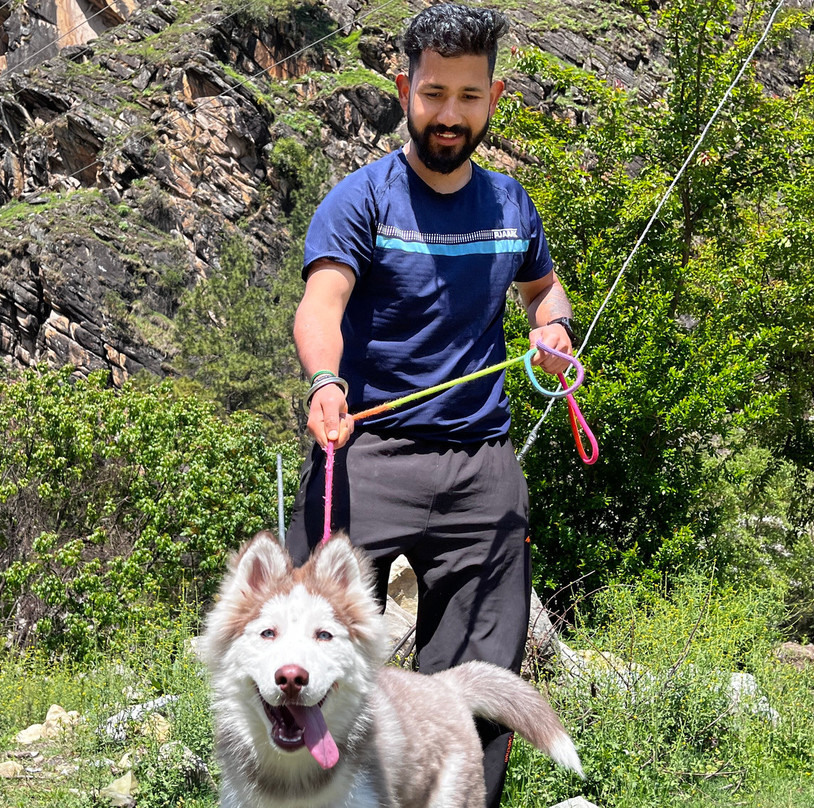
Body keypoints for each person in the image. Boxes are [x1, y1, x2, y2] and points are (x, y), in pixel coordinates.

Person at [283, 4, 575, 805]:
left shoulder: (512, 205)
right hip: (364, 457)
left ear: (495, 96)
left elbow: (544, 294)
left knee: (478, 683)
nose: (450, 114)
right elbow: (320, 308)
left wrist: (553, 330)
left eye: (469, 96)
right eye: (435, 93)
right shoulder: (361, 201)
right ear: (403, 88)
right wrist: (325, 381)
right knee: (318, 666)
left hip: (482, 469)